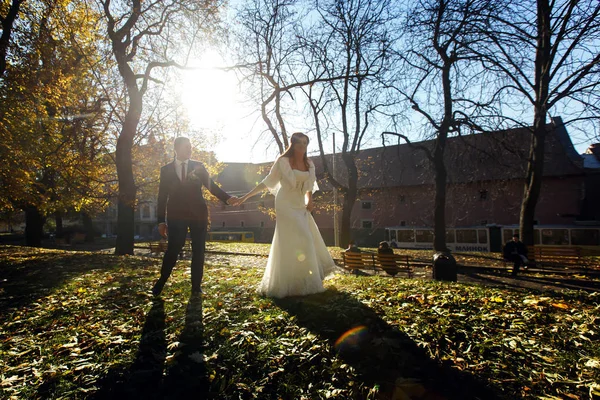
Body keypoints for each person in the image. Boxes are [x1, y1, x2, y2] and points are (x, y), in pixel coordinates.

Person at [236, 132, 336, 298]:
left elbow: (310, 185)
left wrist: (309, 200)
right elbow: (268, 181)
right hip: (285, 204)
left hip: (300, 204)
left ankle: (305, 280)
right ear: (293, 144)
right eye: (299, 143)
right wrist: (245, 197)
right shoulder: (282, 161)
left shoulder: (310, 163)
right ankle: (287, 283)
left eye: (305, 143)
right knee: (300, 237)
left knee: (306, 238)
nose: (302, 146)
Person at [152, 137, 238, 296]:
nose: (190, 150)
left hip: (198, 215)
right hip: (176, 216)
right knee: (173, 249)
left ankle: (196, 287)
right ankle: (161, 281)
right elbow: (162, 196)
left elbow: (211, 186)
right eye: (186, 147)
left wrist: (227, 198)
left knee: (199, 250)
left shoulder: (199, 167)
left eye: (190, 147)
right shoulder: (166, 170)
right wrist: (160, 221)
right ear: (176, 148)